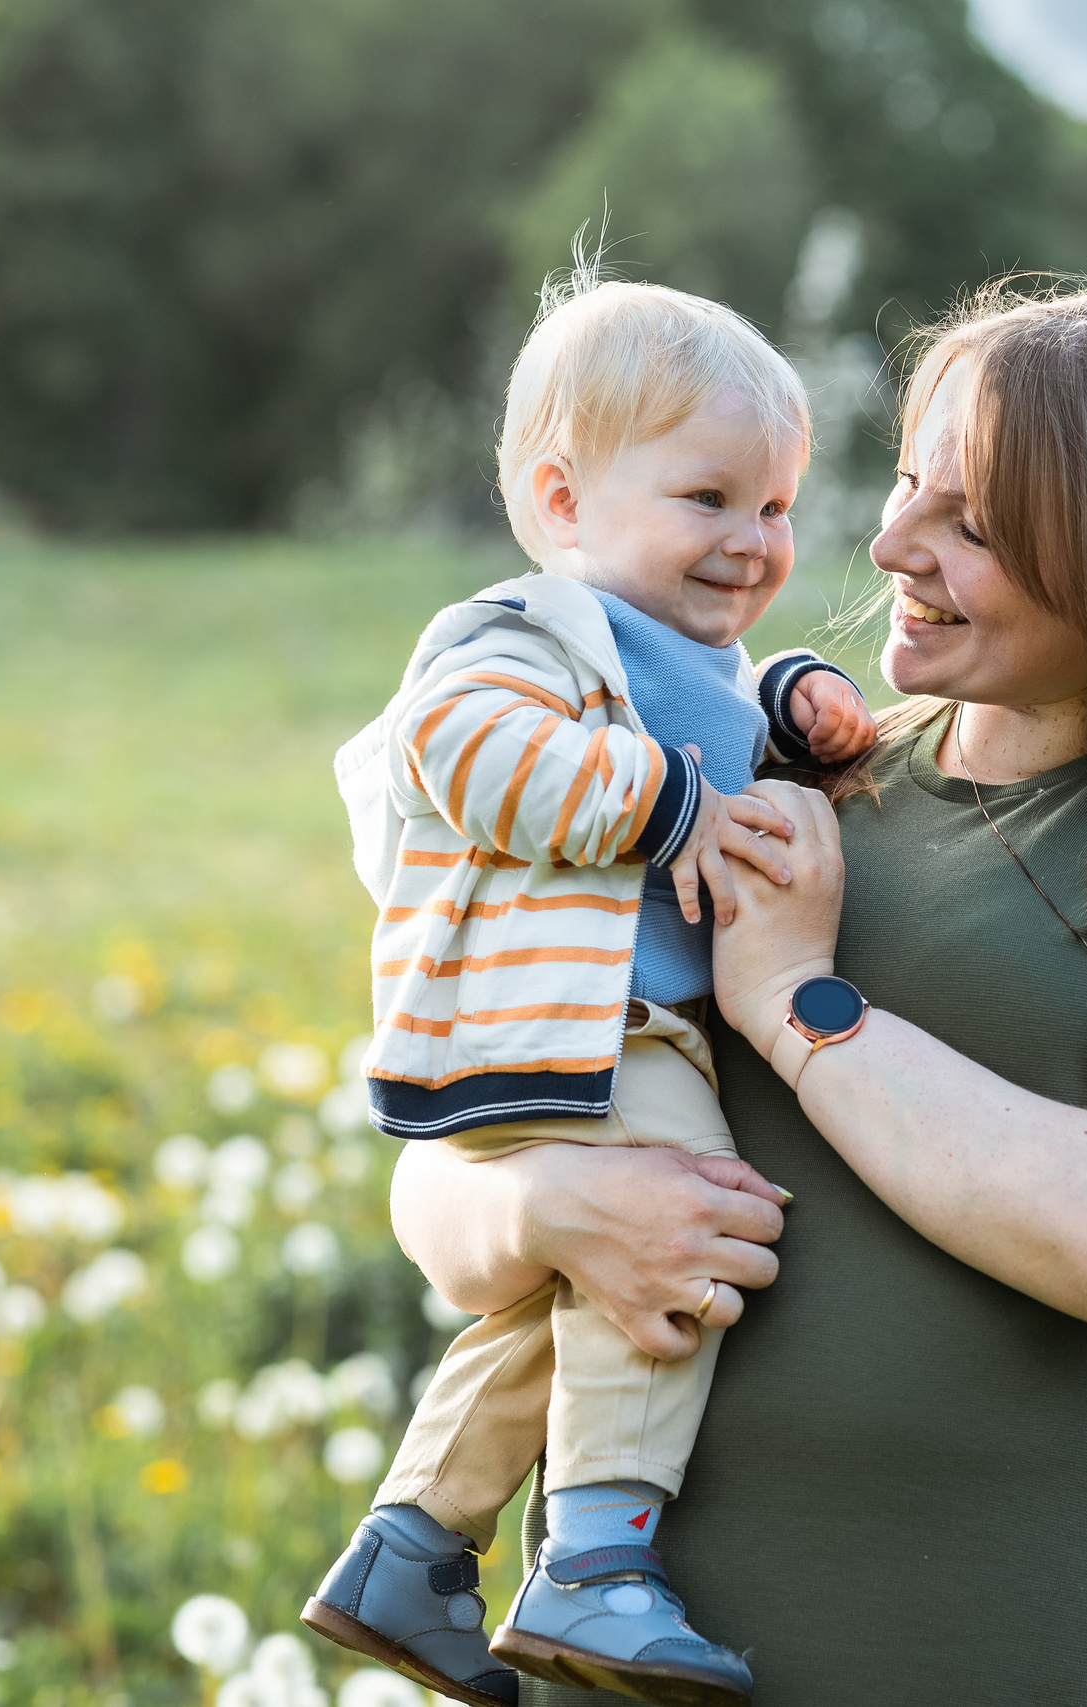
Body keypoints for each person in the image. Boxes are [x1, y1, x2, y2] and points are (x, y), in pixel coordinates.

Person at [388, 280, 1087, 1706]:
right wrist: (533, 1210)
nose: (889, 543)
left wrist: (797, 1008)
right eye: (906, 484)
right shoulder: (768, 786)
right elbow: (451, 1164)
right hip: (624, 1664)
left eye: (976, 523)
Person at [303, 274, 874, 1707]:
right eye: (709, 499)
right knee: (684, 1241)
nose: (753, 542)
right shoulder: (517, 636)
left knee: (560, 1296)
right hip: (584, 1029)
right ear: (564, 504)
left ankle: (416, 1544)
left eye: (776, 508)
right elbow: (463, 752)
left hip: (597, 1034)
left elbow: (718, 721)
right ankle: (596, 1565)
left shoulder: (679, 659)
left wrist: (794, 702)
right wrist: (671, 804)